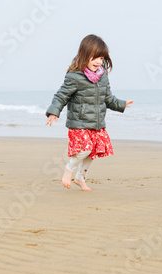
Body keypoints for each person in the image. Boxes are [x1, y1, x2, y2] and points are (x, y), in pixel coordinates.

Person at [45, 34, 133, 190]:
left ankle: (80, 178)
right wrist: (54, 112)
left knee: (93, 151)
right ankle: (68, 171)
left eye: (101, 58)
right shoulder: (74, 76)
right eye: (94, 57)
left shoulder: (103, 76)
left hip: (96, 123)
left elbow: (108, 99)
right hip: (79, 122)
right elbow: (61, 95)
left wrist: (121, 105)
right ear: (84, 55)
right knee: (84, 149)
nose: (98, 62)